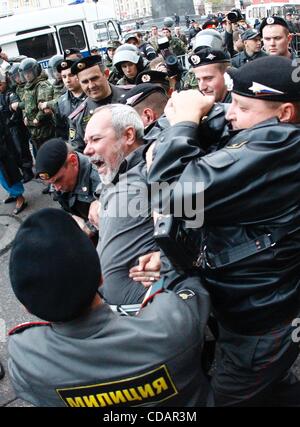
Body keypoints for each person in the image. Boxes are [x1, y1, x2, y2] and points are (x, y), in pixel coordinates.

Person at [148, 55, 300, 406]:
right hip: (264, 307)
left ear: (286, 113)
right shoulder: (276, 139)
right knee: (273, 382)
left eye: (242, 107)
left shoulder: (281, 146)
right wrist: (199, 114)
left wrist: (183, 124)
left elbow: (170, 193)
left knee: (223, 398)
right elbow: (231, 132)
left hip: (257, 324)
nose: (230, 113)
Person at [8, 208, 211, 407]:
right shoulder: (170, 324)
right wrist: (166, 258)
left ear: (26, 307)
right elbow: (193, 283)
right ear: (101, 278)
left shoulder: (24, 359)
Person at [84, 104, 159, 305]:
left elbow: (197, 226)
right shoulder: (114, 170)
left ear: (128, 136)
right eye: (86, 141)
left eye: (95, 139)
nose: (86, 149)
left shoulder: (159, 168)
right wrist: (98, 201)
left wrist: (165, 258)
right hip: (114, 314)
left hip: (152, 315)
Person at [35, 138, 100, 239]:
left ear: (73, 161)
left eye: (58, 180)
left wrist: (89, 228)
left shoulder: (101, 179)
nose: (57, 188)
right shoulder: (55, 179)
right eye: (51, 183)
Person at [68, 55, 130, 153]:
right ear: (79, 83)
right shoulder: (77, 118)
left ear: (106, 74)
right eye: (85, 82)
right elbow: (78, 153)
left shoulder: (131, 95)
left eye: (94, 78)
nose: (91, 85)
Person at [17, 58, 55, 155]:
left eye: (29, 72)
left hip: (45, 130)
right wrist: (25, 116)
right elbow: (25, 104)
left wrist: (38, 118)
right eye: (25, 74)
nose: (27, 75)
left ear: (36, 71)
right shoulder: (28, 87)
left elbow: (43, 106)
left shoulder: (42, 85)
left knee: (50, 155)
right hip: (34, 132)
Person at [0, 104, 27, 215]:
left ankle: (20, 197)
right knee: (2, 176)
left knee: (9, 173)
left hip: (3, 148)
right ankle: (13, 194)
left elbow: (4, 130)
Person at [54, 59, 86, 140]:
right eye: (64, 77)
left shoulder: (91, 95)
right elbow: (61, 132)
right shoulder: (61, 103)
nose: (67, 80)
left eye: (71, 75)